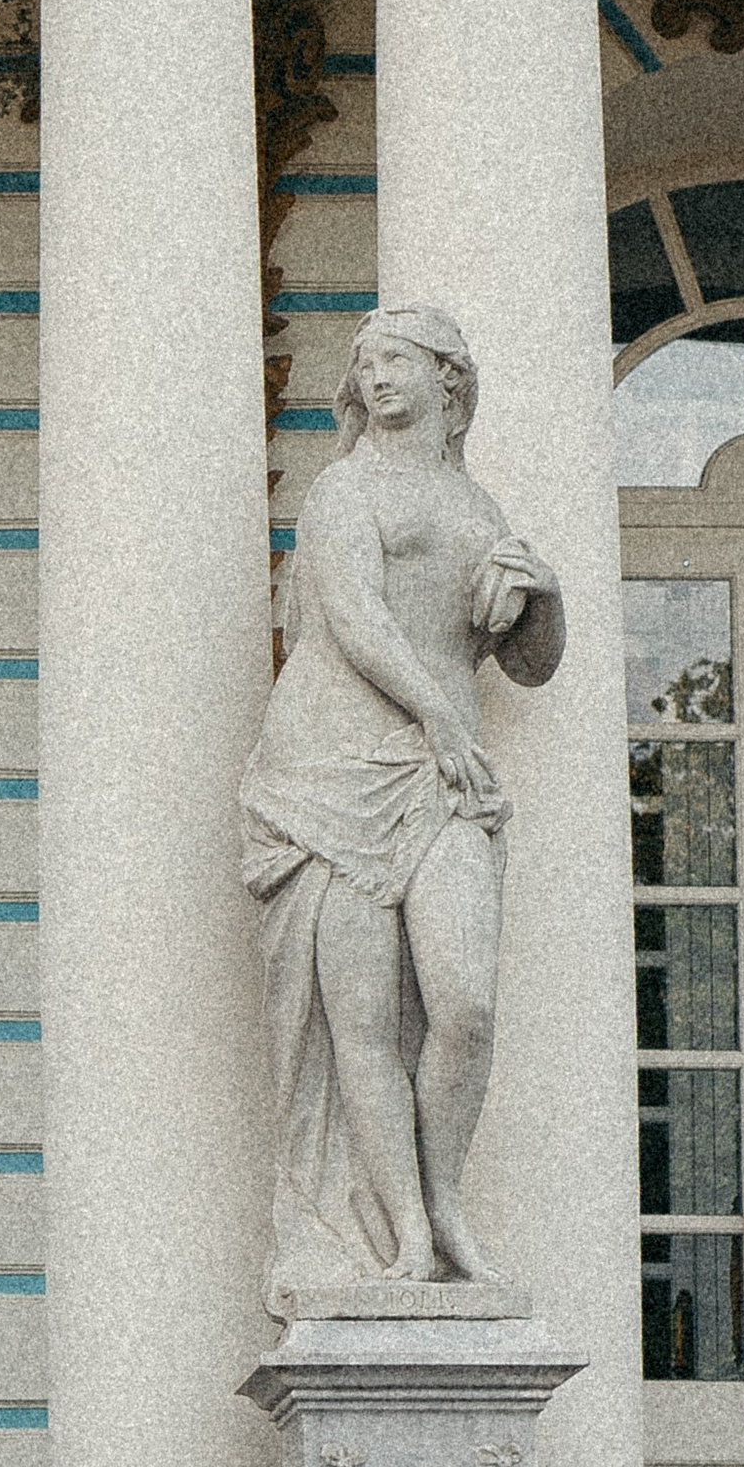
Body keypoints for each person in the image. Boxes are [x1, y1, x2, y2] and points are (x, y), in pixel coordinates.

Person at [239, 301, 565, 1294]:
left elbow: (531, 665)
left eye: (394, 361)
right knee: (363, 1023)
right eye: (365, 364)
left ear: (447, 380)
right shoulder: (345, 490)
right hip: (333, 767)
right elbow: (352, 617)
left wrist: (544, 595)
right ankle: (410, 1237)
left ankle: (446, 1200)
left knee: (463, 1003)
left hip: (441, 770)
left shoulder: (478, 508)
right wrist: (438, 716)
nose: (375, 377)